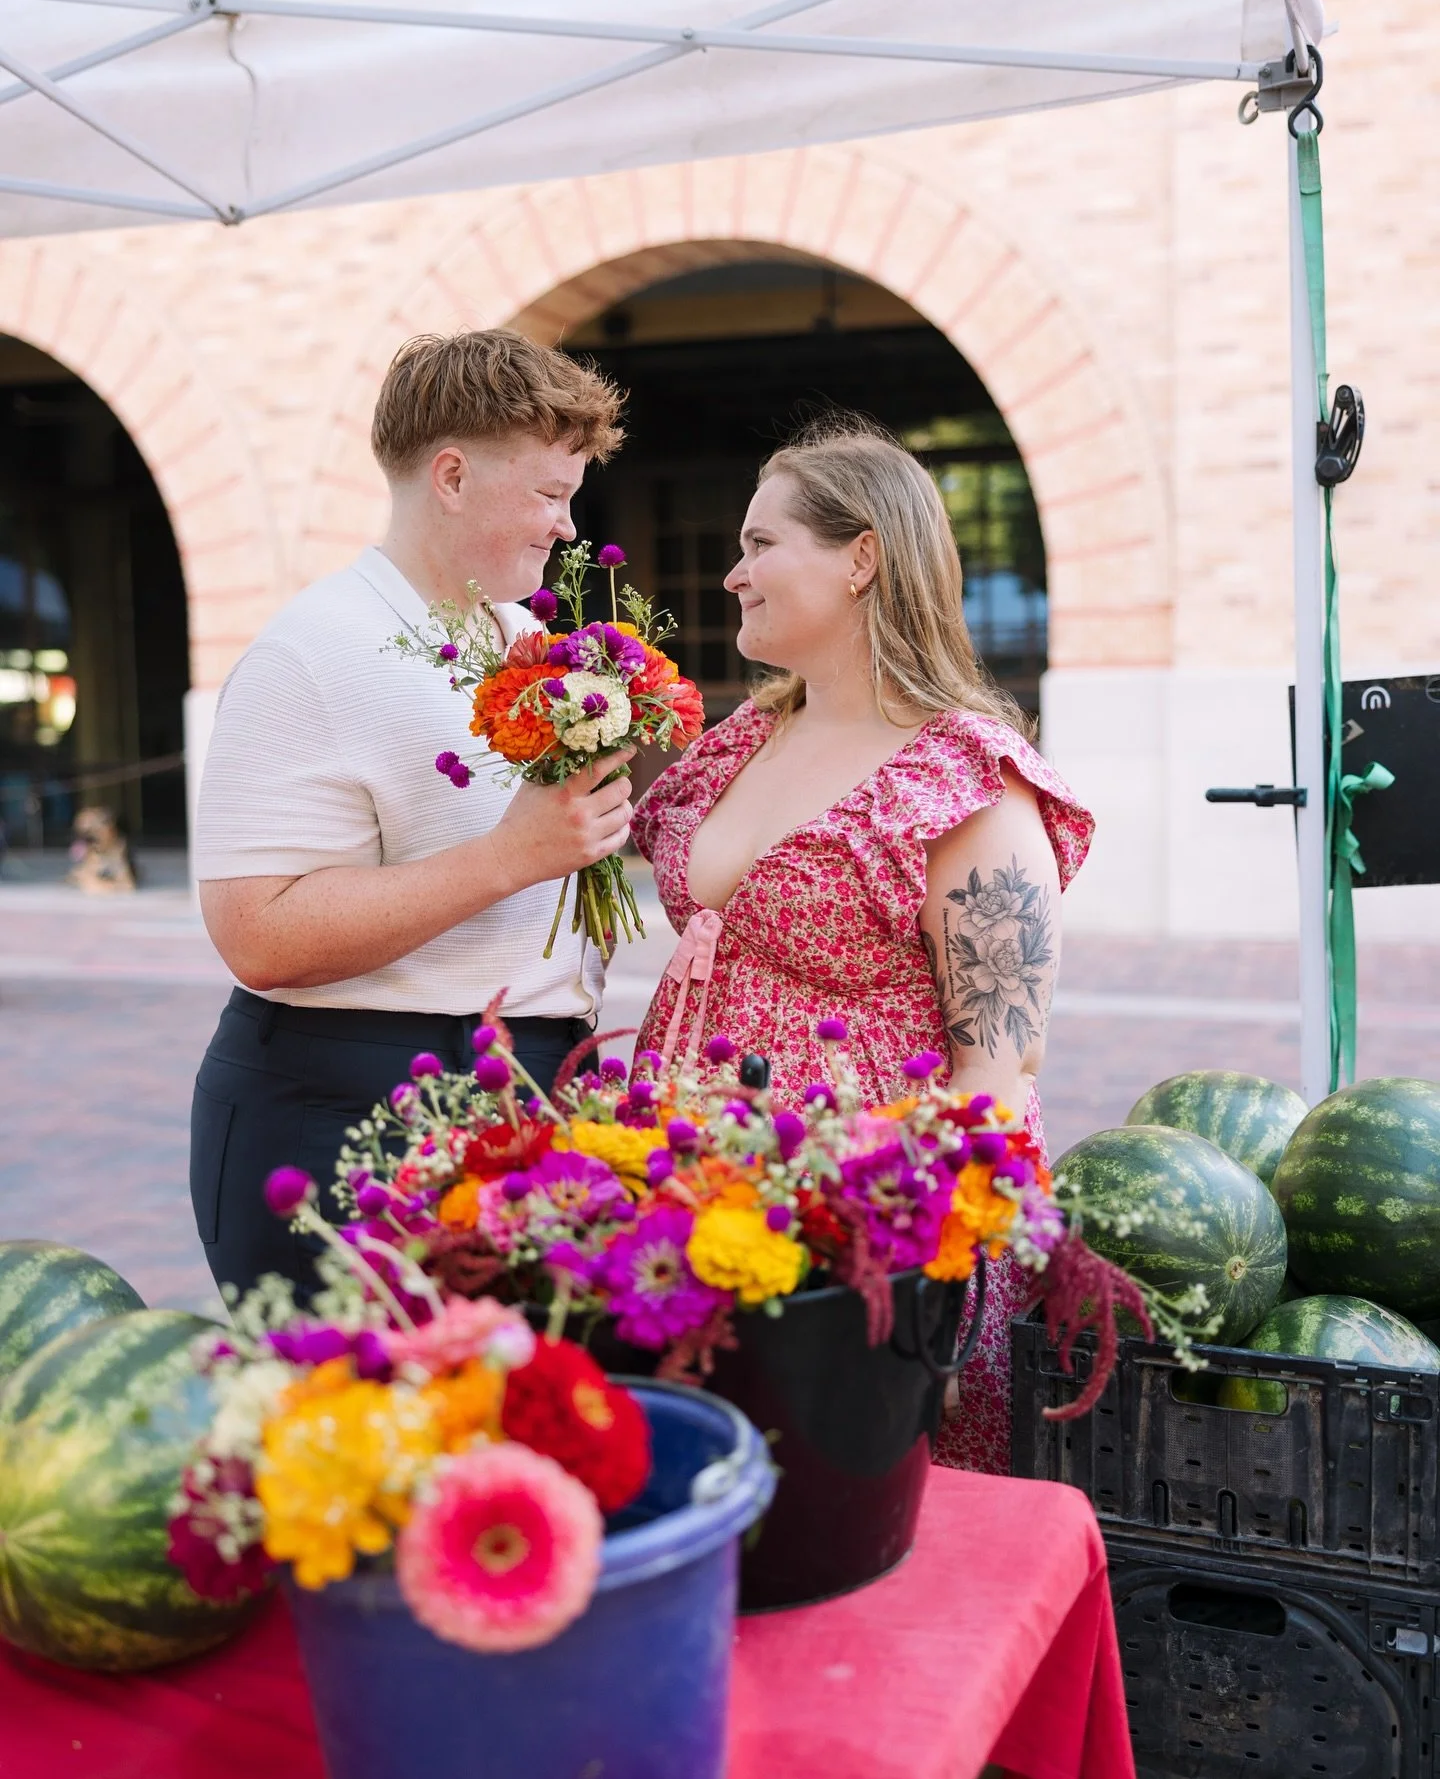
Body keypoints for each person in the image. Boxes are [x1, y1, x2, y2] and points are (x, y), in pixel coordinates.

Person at [630, 418, 1093, 1475]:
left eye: (761, 544)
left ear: (862, 560)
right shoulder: (747, 737)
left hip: (857, 1244)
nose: (733, 573)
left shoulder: (965, 782)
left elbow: (998, 1067)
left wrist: (908, 1264)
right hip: (693, 1197)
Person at [191, 330, 635, 1302]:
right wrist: (512, 857)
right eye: (550, 494)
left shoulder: (524, 635)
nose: (568, 527)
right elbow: (255, 933)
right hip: (354, 1105)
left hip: (527, 1087)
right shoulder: (311, 649)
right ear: (450, 476)